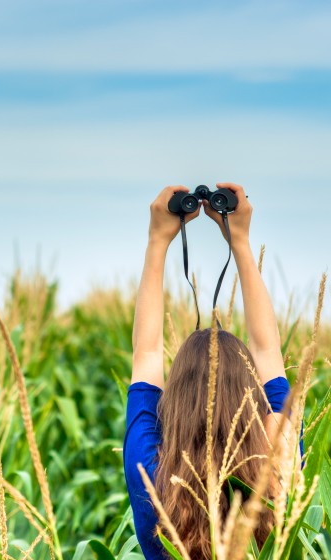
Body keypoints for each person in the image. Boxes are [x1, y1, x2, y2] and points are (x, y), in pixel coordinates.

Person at [123, 184, 304, 559]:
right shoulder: (279, 461)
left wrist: (158, 240)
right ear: (250, 395)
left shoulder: (152, 474)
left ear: (174, 400)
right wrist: (239, 239)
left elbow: (147, 353)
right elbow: (268, 350)